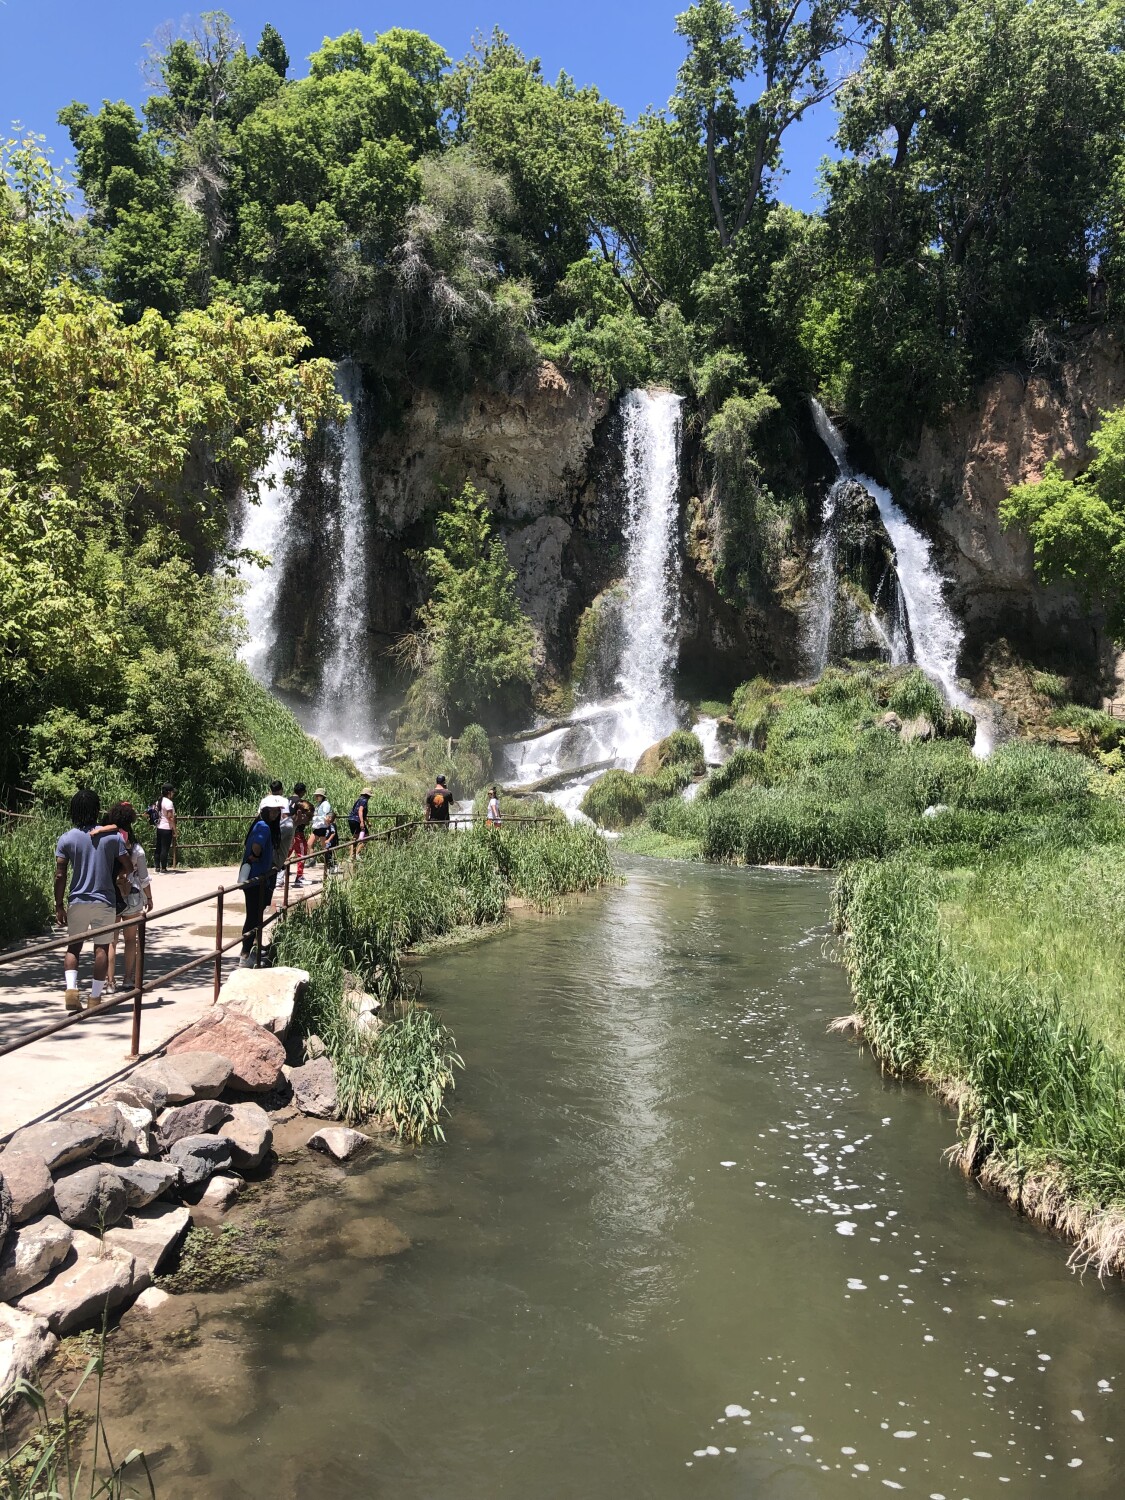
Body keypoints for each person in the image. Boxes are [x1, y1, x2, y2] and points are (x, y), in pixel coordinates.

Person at [54, 789, 132, 1011]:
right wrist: (120, 877)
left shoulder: (66, 838)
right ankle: (95, 998)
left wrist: (59, 905)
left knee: (73, 948)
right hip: (104, 900)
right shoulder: (111, 837)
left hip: (77, 900)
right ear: (97, 810)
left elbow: (60, 875)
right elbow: (128, 865)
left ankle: (71, 991)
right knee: (101, 949)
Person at [104, 801, 152, 993]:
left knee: (111, 940)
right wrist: (149, 898)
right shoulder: (136, 848)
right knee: (131, 940)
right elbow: (144, 877)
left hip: (112, 894)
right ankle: (128, 978)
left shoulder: (107, 844)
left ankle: (109, 982)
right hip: (132, 895)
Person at [239, 804, 273, 968]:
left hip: (255, 879)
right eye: (275, 811)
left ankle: (251, 950)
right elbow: (256, 846)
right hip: (255, 879)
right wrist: (256, 856)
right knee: (252, 916)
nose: (277, 814)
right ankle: (245, 955)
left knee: (254, 915)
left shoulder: (259, 824)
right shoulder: (264, 827)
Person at [289, 782, 312, 887]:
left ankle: (277, 876)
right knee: (302, 852)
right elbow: (304, 817)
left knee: (286, 853)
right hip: (298, 831)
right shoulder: (300, 803)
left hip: (288, 831)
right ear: (302, 792)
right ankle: (299, 877)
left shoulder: (288, 800)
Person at [154, 783, 176, 872]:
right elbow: (170, 817)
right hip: (166, 828)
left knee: (158, 847)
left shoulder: (159, 801)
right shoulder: (169, 803)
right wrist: (174, 829)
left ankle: (157, 867)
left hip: (159, 827)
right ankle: (163, 868)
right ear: (169, 792)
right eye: (172, 792)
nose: (173, 794)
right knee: (165, 848)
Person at [309, 788, 332, 857]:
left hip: (323, 827)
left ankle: (331, 862)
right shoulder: (319, 804)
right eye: (316, 796)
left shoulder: (325, 804)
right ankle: (312, 860)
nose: (316, 797)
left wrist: (315, 817)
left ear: (322, 796)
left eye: (318, 795)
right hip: (318, 827)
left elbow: (325, 816)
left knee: (324, 847)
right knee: (310, 843)